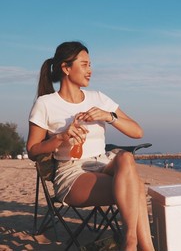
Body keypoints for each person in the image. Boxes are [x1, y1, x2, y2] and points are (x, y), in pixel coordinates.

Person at [26, 41, 154, 251]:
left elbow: (137, 131)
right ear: (66, 68)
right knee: (136, 187)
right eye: (84, 65)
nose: (90, 70)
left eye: (90, 64)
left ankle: (130, 242)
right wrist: (60, 137)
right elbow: (32, 150)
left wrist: (109, 116)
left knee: (125, 158)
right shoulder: (46, 104)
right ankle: (141, 246)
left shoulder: (98, 98)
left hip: (104, 164)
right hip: (73, 173)